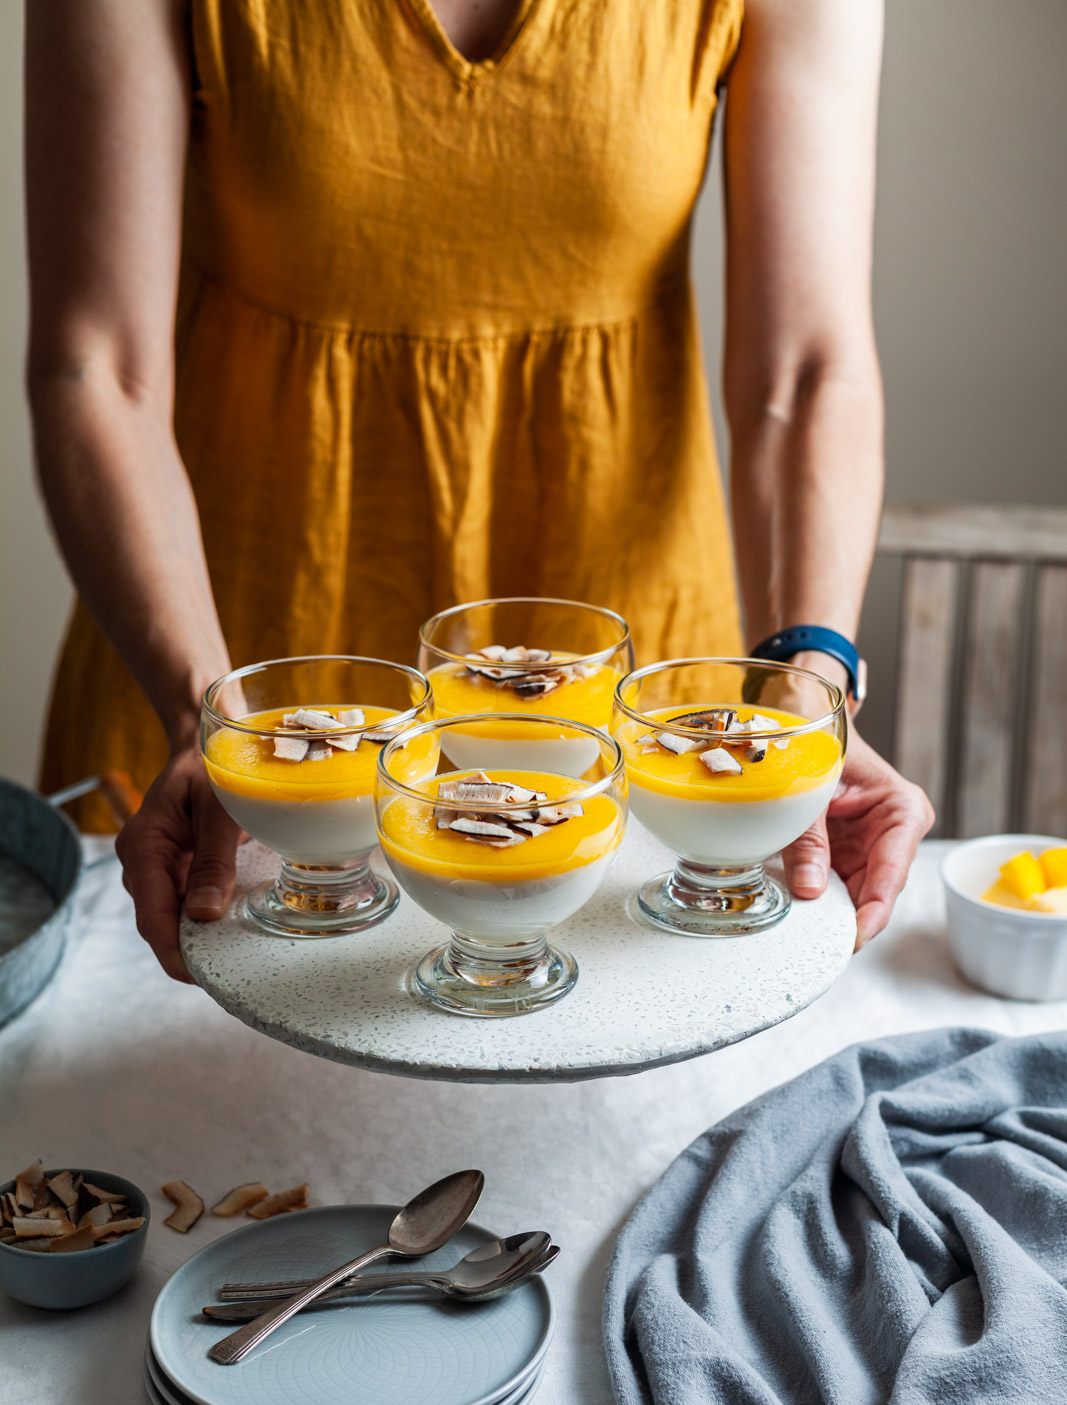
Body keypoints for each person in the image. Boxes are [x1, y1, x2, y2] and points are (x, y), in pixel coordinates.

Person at [25, 0, 933, 983]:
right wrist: (208, 716)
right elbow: (97, 369)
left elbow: (801, 375)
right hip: (226, 680)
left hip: (619, 709)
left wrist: (812, 683)